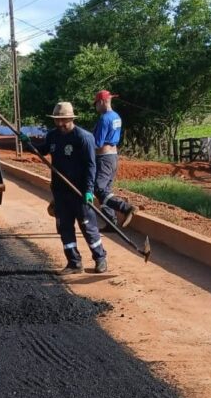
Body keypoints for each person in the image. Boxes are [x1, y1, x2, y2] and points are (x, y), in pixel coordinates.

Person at [20, 102, 107, 274]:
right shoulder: (53, 136)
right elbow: (43, 150)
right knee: (64, 227)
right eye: (57, 121)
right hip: (60, 191)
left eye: (63, 121)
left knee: (87, 226)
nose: (60, 124)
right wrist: (29, 144)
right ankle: (74, 262)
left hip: (80, 191)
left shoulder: (83, 137)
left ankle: (100, 259)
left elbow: (91, 166)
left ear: (71, 118)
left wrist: (89, 190)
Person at [92, 89, 135, 229]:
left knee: (98, 189)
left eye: (96, 104)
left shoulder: (104, 119)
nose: (95, 107)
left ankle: (125, 208)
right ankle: (111, 222)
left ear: (102, 102)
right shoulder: (116, 116)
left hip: (104, 158)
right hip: (113, 157)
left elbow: (97, 143)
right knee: (105, 190)